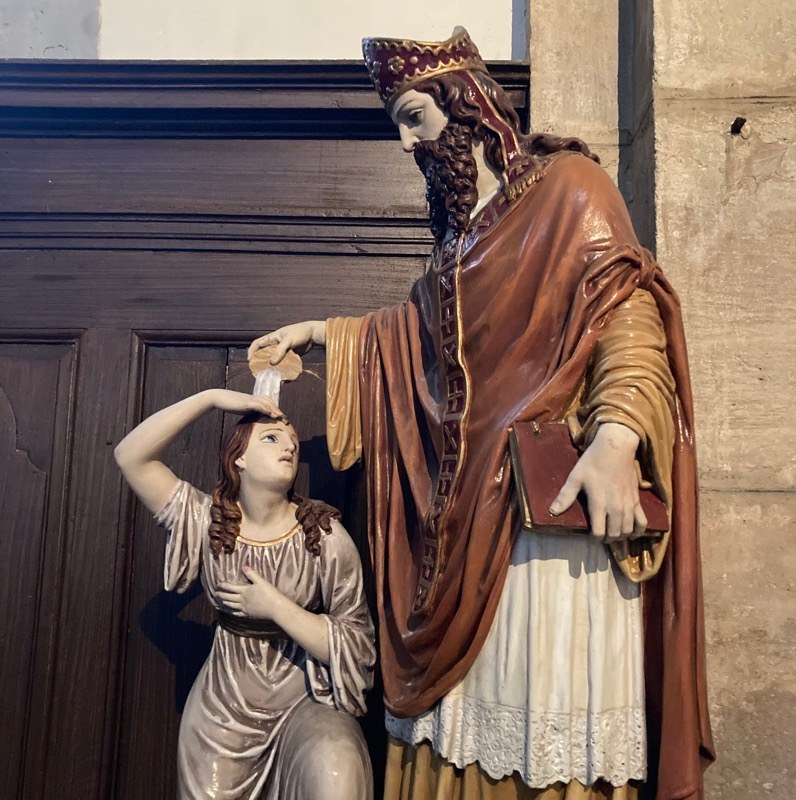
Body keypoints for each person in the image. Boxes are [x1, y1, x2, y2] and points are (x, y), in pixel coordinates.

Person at [248, 27, 713, 800]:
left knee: (542, 721)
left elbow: (627, 311)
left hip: (544, 519)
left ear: (465, 105)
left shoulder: (571, 189)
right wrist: (320, 334)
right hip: (464, 521)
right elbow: (413, 342)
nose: (407, 144)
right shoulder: (456, 245)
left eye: (413, 117)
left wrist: (616, 437)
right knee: (465, 726)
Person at [114, 387, 376, 799]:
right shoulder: (206, 521)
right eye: (271, 438)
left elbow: (358, 645)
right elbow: (130, 456)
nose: (289, 447)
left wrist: (276, 608)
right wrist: (210, 398)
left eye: (293, 443)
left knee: (337, 767)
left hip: (304, 703)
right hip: (223, 712)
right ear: (238, 457)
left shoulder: (323, 536)